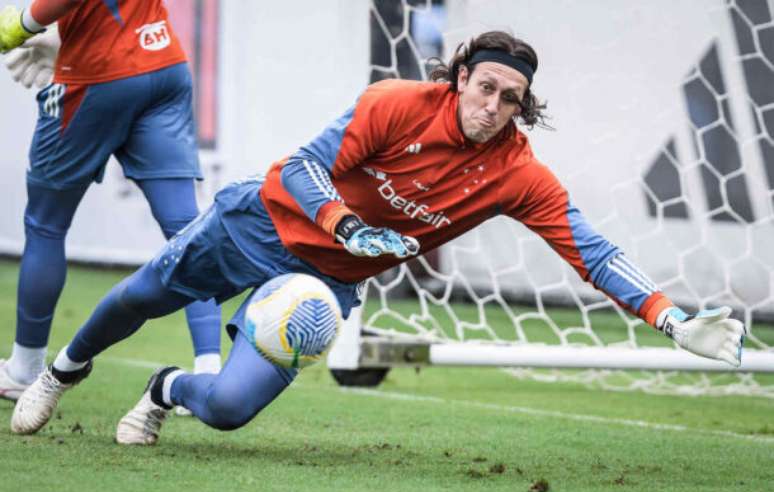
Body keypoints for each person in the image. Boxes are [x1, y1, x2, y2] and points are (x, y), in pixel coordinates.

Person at [10, 30, 745, 443]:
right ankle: (59, 372)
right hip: (263, 223)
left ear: (523, 107)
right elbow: (303, 166)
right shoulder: (396, 102)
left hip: (327, 284)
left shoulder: (518, 175)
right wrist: (345, 223)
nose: (494, 106)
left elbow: (592, 252)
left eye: (511, 99)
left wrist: (670, 317)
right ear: (459, 78)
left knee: (231, 410)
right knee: (140, 294)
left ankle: (164, 388)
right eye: (485, 87)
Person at [0, 0, 222, 403]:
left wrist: (26, 23)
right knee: (185, 228)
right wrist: (68, 35)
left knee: (45, 223)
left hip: (97, 77)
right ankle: (210, 368)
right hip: (161, 63)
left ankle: (23, 369)